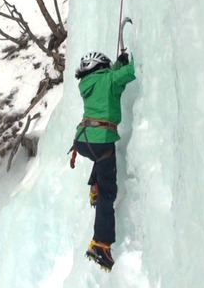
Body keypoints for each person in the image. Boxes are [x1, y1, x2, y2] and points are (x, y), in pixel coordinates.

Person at [69, 50, 136, 272]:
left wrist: (118, 65)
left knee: (101, 161)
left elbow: (110, 81)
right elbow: (131, 72)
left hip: (83, 140)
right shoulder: (108, 79)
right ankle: (101, 243)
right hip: (100, 140)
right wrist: (127, 63)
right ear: (101, 67)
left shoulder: (87, 84)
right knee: (109, 194)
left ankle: (94, 186)